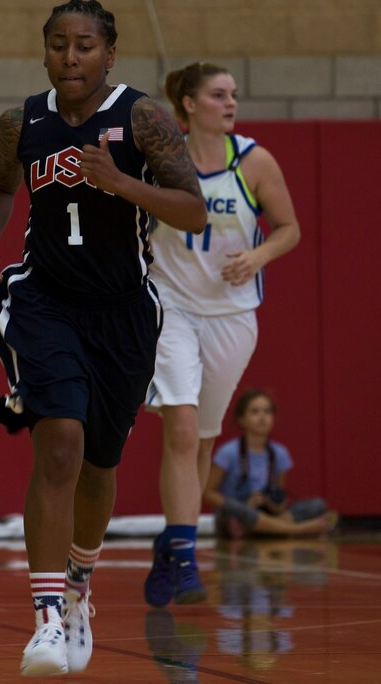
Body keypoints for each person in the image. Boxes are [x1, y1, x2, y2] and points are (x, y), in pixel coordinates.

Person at [0, 0, 207, 678]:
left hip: (125, 313)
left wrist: (122, 183)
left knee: (100, 466)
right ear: (43, 51)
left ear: (110, 53)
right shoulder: (22, 121)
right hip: (45, 300)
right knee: (60, 442)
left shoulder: (144, 119)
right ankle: (46, 620)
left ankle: (78, 588)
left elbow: (193, 211)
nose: (70, 57)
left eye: (83, 46)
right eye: (57, 45)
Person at [143, 62, 301, 608]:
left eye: (233, 94)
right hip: (172, 307)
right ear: (188, 104)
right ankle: (185, 555)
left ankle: (171, 543)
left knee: (205, 439)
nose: (231, 103)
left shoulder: (254, 160)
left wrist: (258, 254)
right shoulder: (163, 160)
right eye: (218, 95)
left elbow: (289, 228)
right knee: (182, 429)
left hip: (232, 316)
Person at [204, 388, 335, 538]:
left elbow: (278, 493)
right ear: (241, 419)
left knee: (318, 505)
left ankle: (263, 528)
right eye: (255, 412)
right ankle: (296, 529)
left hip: (264, 513)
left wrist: (275, 504)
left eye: (267, 411)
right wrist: (245, 504)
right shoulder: (228, 452)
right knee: (234, 509)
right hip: (239, 512)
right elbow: (208, 493)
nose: (262, 417)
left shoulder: (280, 454)